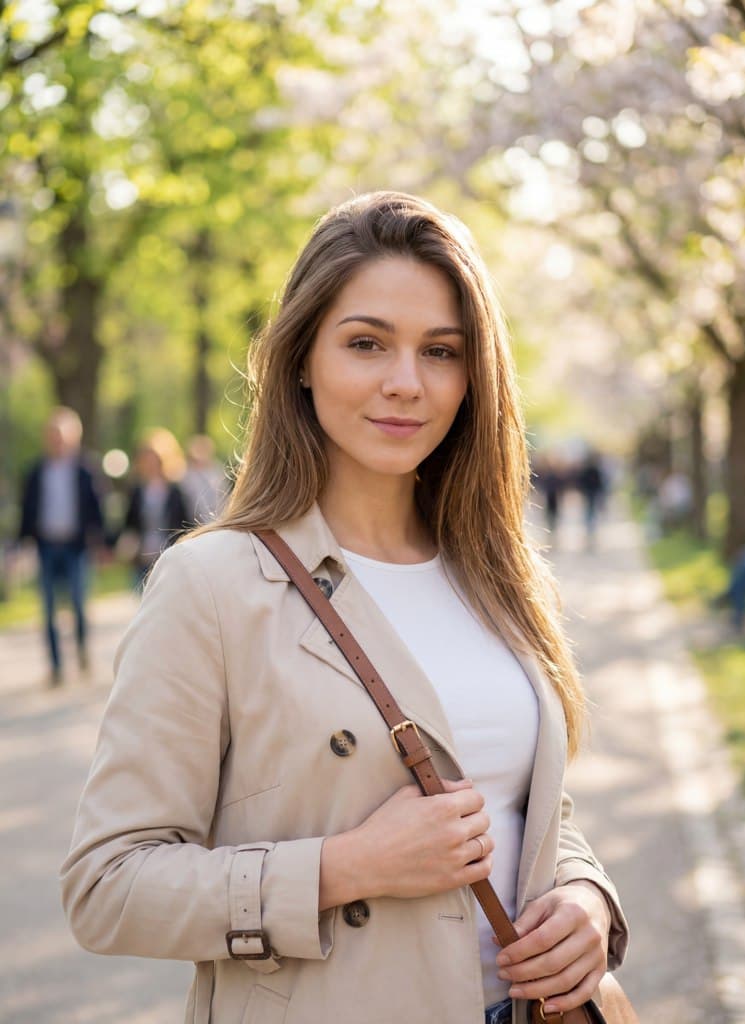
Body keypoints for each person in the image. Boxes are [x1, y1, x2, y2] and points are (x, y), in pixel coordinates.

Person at [61, 193, 628, 1024]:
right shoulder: (213, 584)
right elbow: (107, 886)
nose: (405, 383)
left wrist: (586, 897)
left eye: (441, 351)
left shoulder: (492, 573)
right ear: (300, 358)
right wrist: (344, 868)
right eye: (366, 343)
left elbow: (522, 806)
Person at [18, 406, 104, 686]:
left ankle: (81, 650)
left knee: (78, 602)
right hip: (46, 545)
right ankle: (55, 666)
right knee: (49, 607)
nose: (57, 440)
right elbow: (27, 510)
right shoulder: (36, 471)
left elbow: (96, 509)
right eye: (52, 435)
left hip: (75, 546)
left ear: (73, 437)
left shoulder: (84, 470)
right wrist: (21, 544)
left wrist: (101, 542)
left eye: (61, 435)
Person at [118, 428, 189, 586]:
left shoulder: (176, 491)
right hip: (142, 554)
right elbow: (130, 522)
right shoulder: (137, 490)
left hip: (168, 553)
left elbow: (185, 522)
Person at [181, 433, 229, 524]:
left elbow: (223, 498)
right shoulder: (186, 474)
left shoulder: (217, 471)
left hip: (216, 520)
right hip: (192, 522)